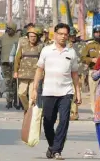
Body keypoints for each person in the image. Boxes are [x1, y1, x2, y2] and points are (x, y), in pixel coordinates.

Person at [32, 23, 82, 160]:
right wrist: (34, 89)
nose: (63, 37)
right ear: (55, 34)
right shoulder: (46, 50)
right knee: (48, 122)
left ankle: (57, 150)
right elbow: (39, 70)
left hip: (66, 92)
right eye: (60, 34)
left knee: (64, 121)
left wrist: (78, 92)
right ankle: (53, 147)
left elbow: (75, 74)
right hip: (48, 92)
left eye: (65, 34)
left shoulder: (71, 52)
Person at [13, 27, 43, 114]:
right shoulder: (23, 46)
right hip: (23, 74)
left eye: (34, 36)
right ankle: (27, 108)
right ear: (28, 37)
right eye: (30, 36)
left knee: (32, 96)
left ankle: (30, 112)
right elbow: (17, 59)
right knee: (21, 93)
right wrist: (15, 71)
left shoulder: (41, 46)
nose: (32, 38)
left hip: (35, 75)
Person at [81, 25, 100, 114]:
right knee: (93, 92)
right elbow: (82, 57)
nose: (98, 34)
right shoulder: (89, 45)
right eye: (96, 32)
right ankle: (95, 112)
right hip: (93, 71)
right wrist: (91, 60)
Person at [0, 22, 20, 109]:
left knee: (15, 83)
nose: (8, 30)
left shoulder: (19, 38)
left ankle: (16, 100)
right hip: (5, 63)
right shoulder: (3, 37)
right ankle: (9, 101)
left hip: (16, 63)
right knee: (8, 82)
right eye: (7, 29)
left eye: (10, 29)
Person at [68, 27, 86, 121]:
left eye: (73, 35)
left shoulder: (82, 44)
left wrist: (85, 73)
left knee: (75, 92)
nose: (72, 37)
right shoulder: (65, 45)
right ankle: (66, 111)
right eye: (70, 36)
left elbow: (84, 58)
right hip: (66, 72)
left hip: (78, 72)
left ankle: (74, 113)